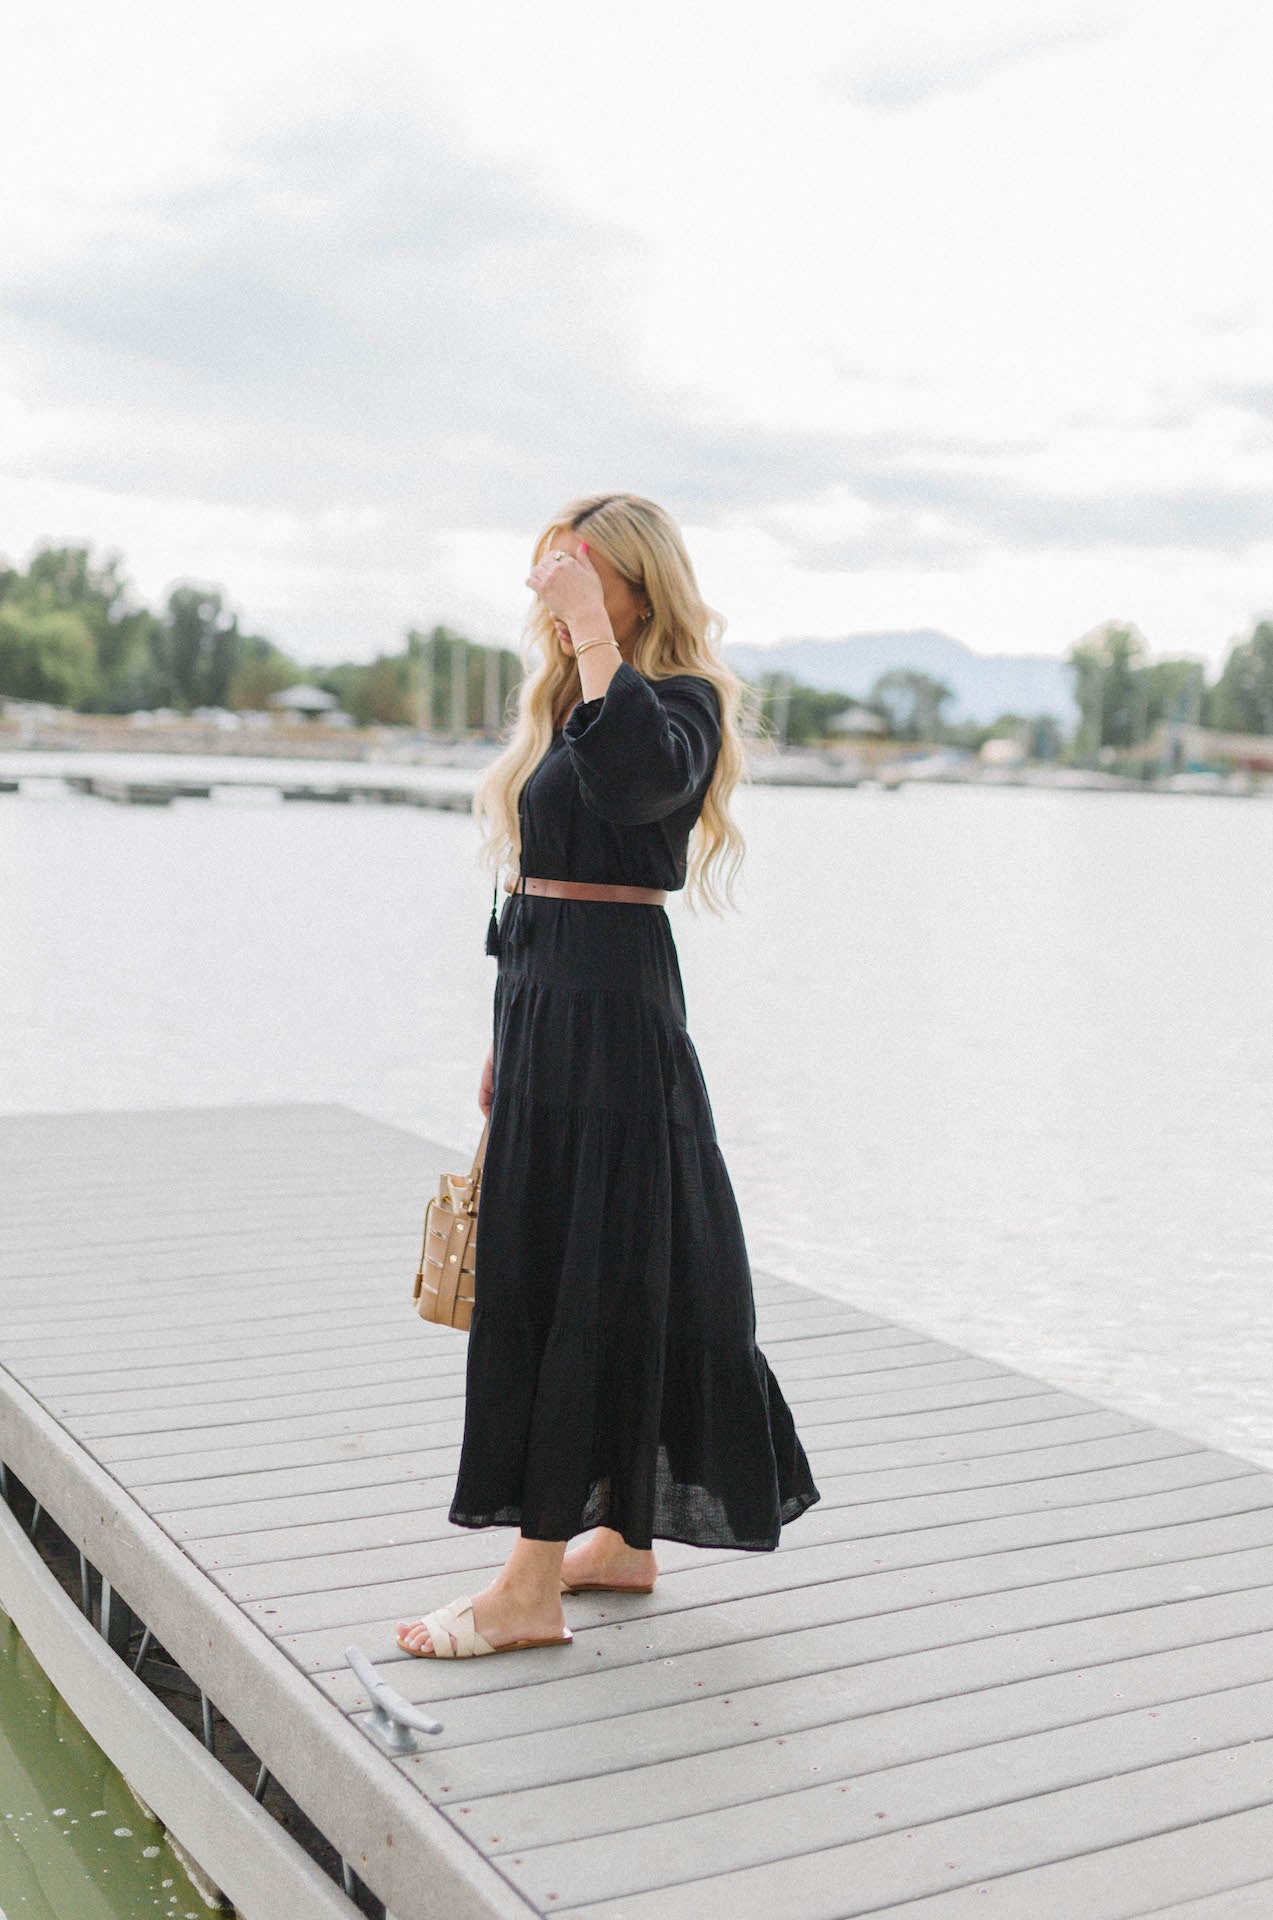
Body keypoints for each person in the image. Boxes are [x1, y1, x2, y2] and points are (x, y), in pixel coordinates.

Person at [396, 493, 820, 1661]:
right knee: (590, 1266)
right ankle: (623, 1539)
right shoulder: (565, 701)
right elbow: (536, 880)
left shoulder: (674, 701)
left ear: (635, 581)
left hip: (615, 1022)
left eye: (581, 567)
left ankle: (528, 1589)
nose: (556, 581)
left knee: (575, 1281)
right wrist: (503, 1031)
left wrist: (591, 636)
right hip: (549, 1012)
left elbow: (637, 791)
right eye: (552, 567)